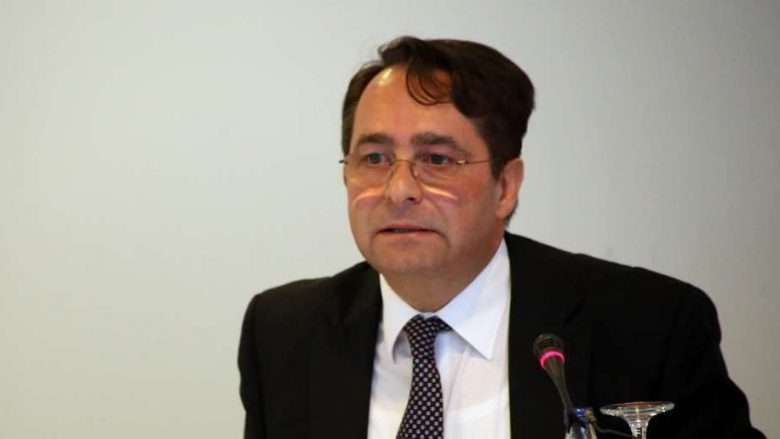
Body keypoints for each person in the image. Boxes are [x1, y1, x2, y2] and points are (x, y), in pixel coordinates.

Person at [238, 36, 764, 439]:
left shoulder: (647, 325)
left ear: (506, 186)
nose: (398, 189)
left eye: (436, 159)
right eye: (374, 158)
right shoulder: (284, 332)